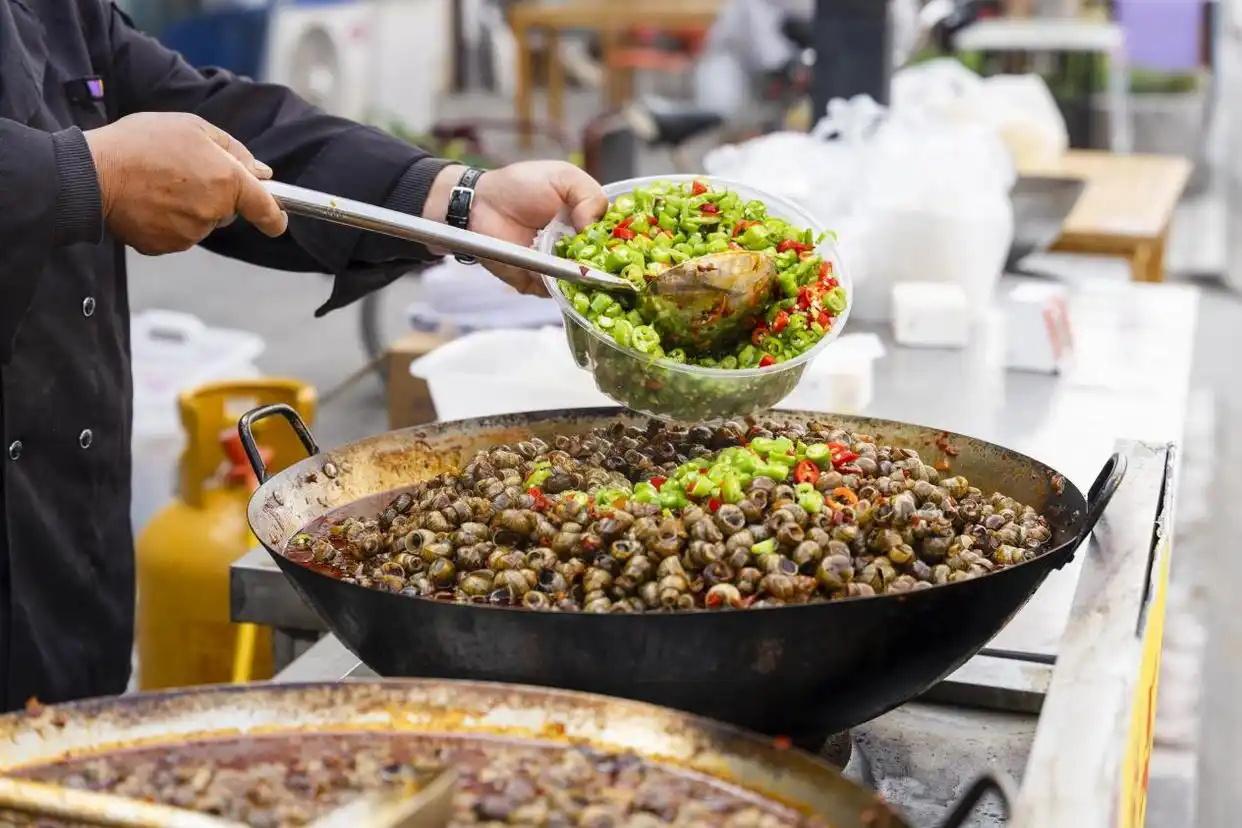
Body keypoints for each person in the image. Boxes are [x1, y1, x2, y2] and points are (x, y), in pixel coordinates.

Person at [0, 0, 606, 710]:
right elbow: (92, 163)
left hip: (63, 537)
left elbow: (211, 119)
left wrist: (458, 199)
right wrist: (79, 174)